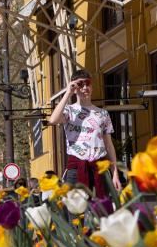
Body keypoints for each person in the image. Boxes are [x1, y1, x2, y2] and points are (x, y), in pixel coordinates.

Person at [47, 69, 122, 197]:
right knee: (76, 211)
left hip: (100, 168)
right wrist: (67, 92)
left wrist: (115, 173)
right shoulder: (69, 111)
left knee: (102, 211)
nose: (85, 88)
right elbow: (53, 120)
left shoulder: (102, 114)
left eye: (88, 84)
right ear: (75, 88)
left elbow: (109, 145)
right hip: (75, 169)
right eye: (80, 85)